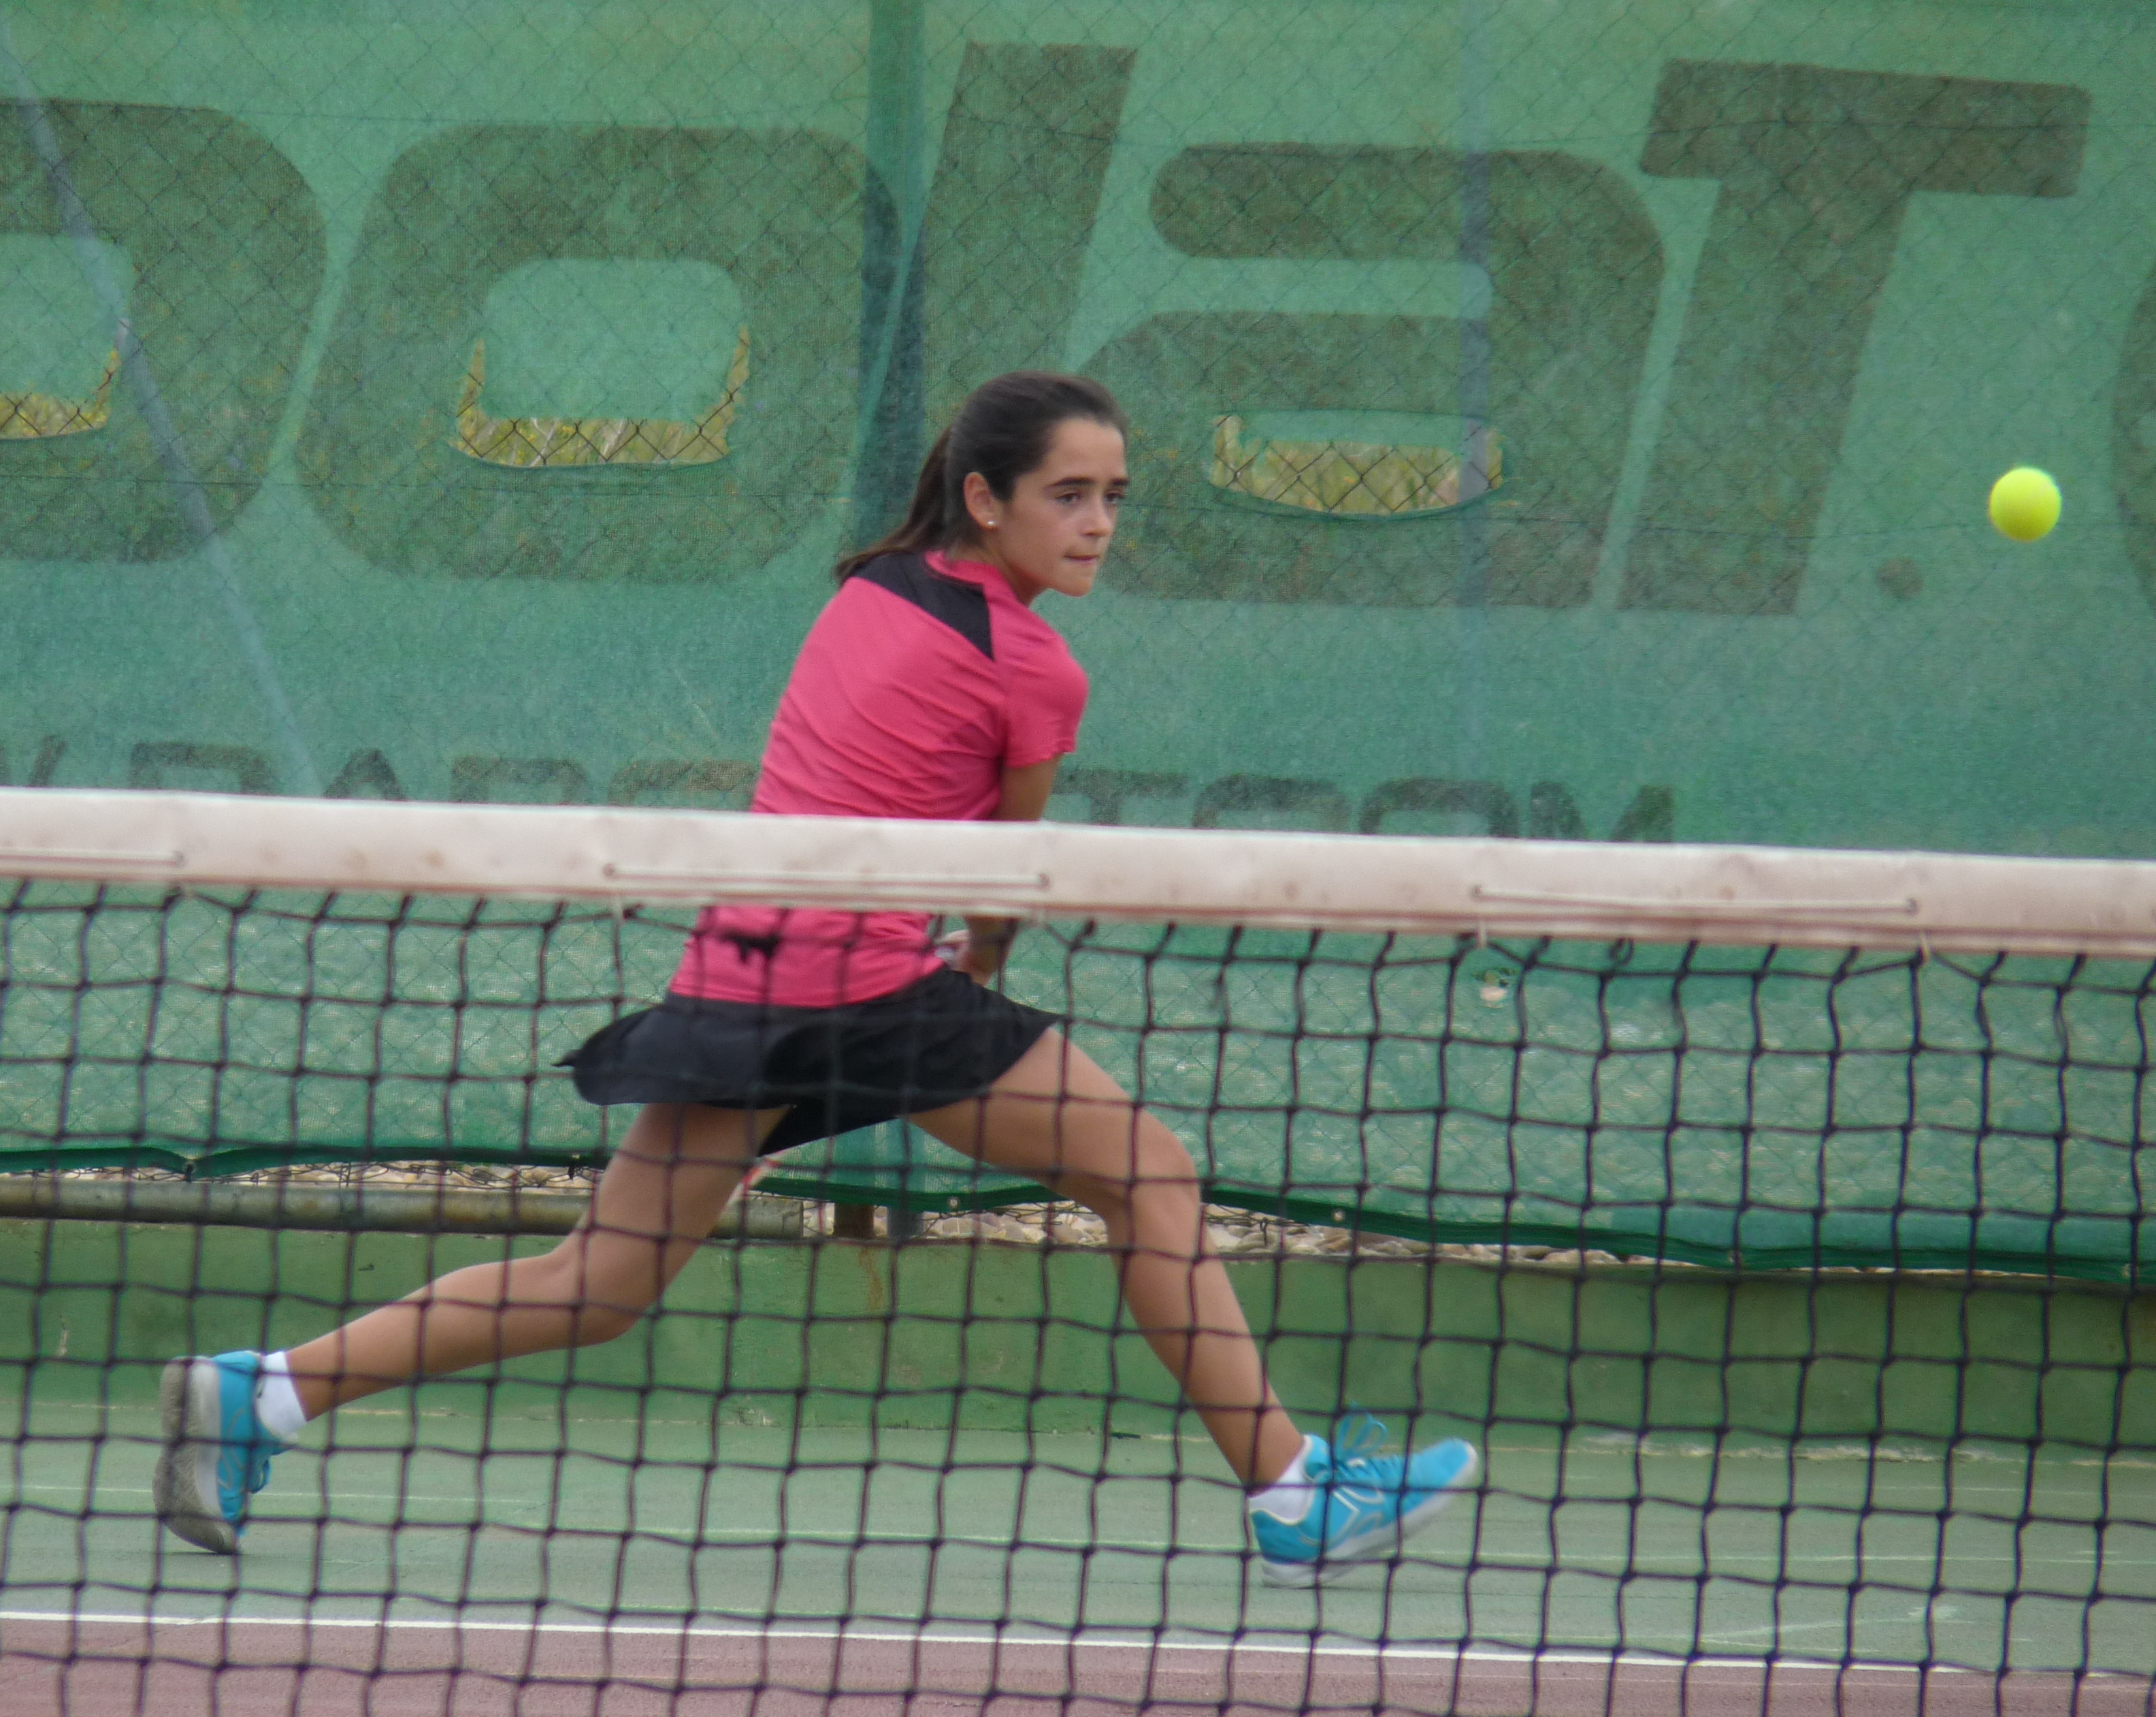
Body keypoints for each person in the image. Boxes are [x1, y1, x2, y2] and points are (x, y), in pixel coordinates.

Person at [152, 371, 1477, 1584]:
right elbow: (1005, 877)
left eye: (1114, 498)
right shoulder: (1034, 667)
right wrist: (977, 962)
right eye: (1068, 495)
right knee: (1151, 1175)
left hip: (743, 979)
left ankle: (261, 1394)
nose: (1096, 526)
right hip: (861, 996)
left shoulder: (871, 586)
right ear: (985, 498)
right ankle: (1292, 1494)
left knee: (598, 1284)